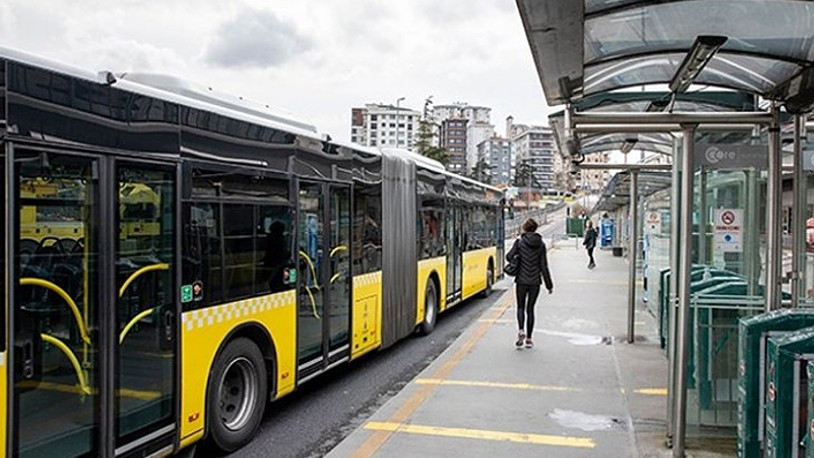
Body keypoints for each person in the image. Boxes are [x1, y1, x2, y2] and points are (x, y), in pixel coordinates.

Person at [506, 218, 554, 349]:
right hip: (535, 282)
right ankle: (529, 338)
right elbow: (544, 266)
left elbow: (508, 256)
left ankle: (521, 330)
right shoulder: (541, 244)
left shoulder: (520, 242)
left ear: (525, 228)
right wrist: (549, 285)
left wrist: (517, 254)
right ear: (535, 228)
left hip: (521, 281)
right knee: (530, 309)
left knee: (520, 307)